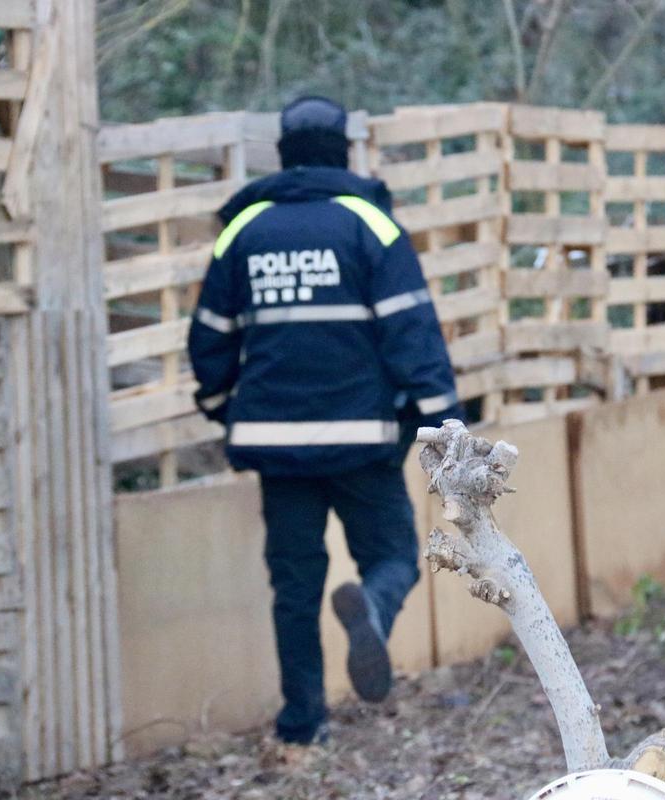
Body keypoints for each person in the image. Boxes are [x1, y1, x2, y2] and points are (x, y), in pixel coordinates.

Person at [187, 95, 461, 747]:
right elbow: (411, 332)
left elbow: (210, 344)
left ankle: (302, 723)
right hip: (362, 439)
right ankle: (370, 606)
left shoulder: (242, 232)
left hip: (274, 446)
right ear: (343, 152)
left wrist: (225, 408)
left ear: (283, 154)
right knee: (393, 553)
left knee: (294, 583)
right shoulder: (370, 225)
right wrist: (442, 420)